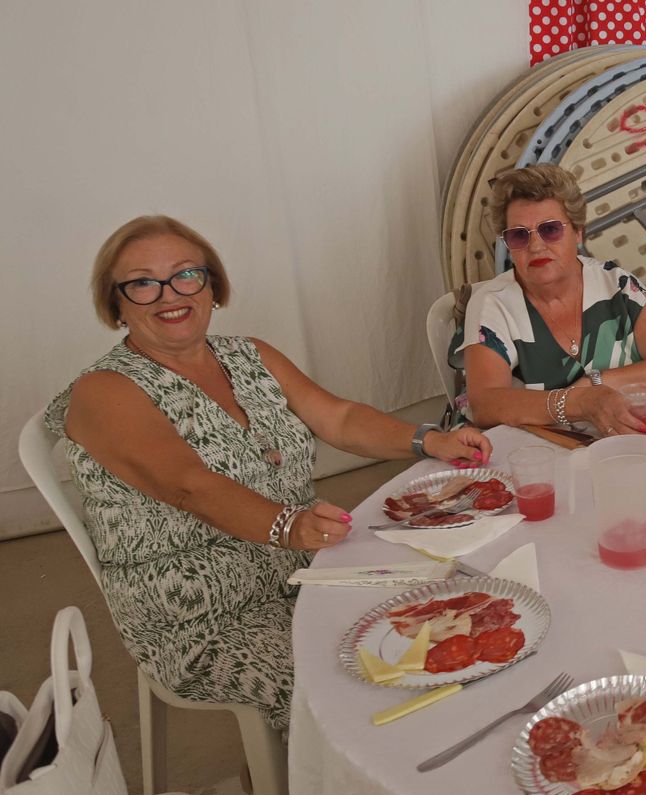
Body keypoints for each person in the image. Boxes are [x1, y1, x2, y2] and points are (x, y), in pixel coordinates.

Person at [45, 215, 492, 730]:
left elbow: (339, 418)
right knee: (365, 687)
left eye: (187, 274)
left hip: (306, 574)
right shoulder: (104, 391)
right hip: (205, 620)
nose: (170, 294)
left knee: (450, 623)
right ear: (117, 303)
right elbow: (189, 486)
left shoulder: (249, 355)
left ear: (212, 286)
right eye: (143, 283)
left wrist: (428, 439)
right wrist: (289, 526)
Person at [458, 164, 646, 435]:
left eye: (550, 230)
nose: (536, 246)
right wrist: (578, 403)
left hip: (628, 442)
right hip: (540, 452)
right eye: (519, 235)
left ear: (578, 232)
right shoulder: (492, 303)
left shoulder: (615, 284)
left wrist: (593, 384)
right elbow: (485, 404)